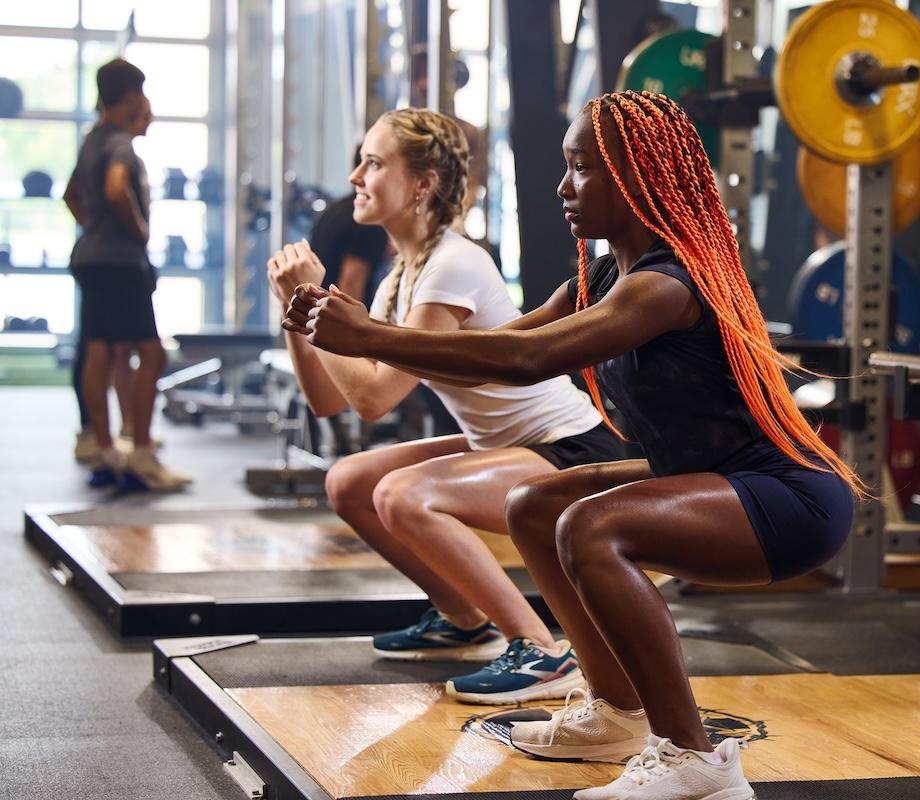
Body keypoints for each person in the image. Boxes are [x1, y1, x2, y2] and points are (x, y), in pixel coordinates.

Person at [285, 91, 861, 800]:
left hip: (787, 499)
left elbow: (530, 363)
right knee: (534, 504)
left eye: (582, 168)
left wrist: (370, 337)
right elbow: (499, 344)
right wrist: (358, 339)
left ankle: (698, 762)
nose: (564, 186)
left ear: (638, 178)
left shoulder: (666, 285)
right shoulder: (603, 278)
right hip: (717, 478)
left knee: (592, 525)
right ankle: (618, 713)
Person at [266, 107, 627, 704]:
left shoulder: (451, 266)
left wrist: (311, 300)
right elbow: (329, 400)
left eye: (374, 163)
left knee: (403, 495)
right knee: (351, 480)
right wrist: (297, 314)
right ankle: (461, 617)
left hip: (569, 451)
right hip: (505, 447)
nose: (357, 177)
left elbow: (375, 398)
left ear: (422, 184)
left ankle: (542, 651)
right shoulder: (398, 277)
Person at [63, 59, 189, 491]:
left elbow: (70, 194)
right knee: (152, 353)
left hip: (90, 257)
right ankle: (139, 451)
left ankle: (105, 445)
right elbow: (118, 187)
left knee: (102, 350)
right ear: (132, 95)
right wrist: (136, 229)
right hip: (119, 261)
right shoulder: (119, 144)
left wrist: (92, 226)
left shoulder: (91, 140)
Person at [307, 146, 392, 303]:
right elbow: (350, 288)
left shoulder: (338, 209)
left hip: (318, 315)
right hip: (334, 320)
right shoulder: (368, 219)